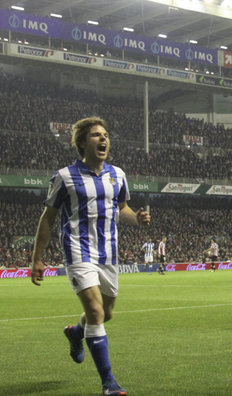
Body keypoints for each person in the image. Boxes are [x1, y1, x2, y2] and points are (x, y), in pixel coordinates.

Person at [30, 116, 151, 396]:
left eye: (106, 134)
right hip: (78, 251)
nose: (104, 139)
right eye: (96, 135)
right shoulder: (64, 177)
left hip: (108, 254)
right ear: (82, 142)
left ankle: (75, 332)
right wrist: (37, 258)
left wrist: (139, 219)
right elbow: (48, 218)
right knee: (95, 311)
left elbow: (123, 208)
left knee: (105, 313)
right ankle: (109, 383)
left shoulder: (117, 174)